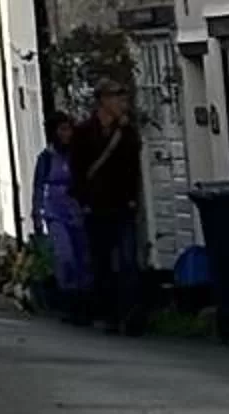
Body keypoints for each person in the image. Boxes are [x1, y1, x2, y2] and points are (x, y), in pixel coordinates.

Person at [70, 80, 146, 333]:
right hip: (96, 206)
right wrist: (84, 201)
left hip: (122, 204)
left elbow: (133, 168)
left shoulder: (127, 134)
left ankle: (131, 316)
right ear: (102, 100)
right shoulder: (83, 133)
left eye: (122, 98)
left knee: (128, 260)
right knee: (102, 261)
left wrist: (133, 198)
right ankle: (109, 314)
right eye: (116, 98)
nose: (121, 103)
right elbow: (78, 170)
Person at [34, 111, 91, 314]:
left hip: (76, 210)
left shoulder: (77, 155)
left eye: (69, 129)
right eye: (62, 129)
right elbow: (39, 187)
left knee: (82, 257)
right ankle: (67, 297)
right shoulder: (46, 158)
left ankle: (83, 300)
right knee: (64, 255)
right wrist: (38, 216)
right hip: (54, 212)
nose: (67, 134)